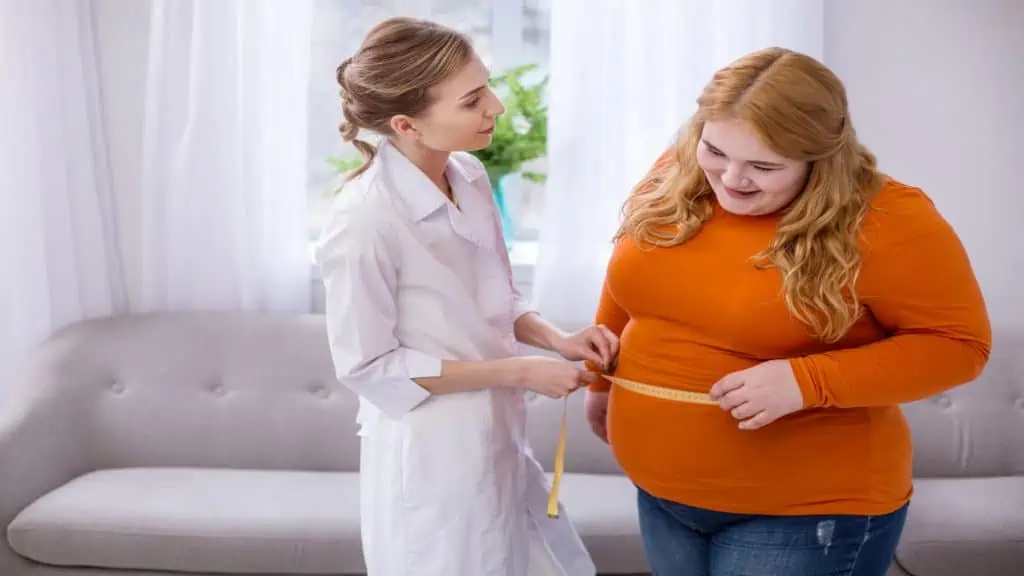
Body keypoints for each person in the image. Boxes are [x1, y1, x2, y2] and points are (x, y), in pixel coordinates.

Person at [583, 47, 992, 576]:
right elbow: (629, 281)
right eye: (715, 150)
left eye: (764, 166)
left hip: (804, 513)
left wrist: (807, 380)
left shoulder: (890, 219)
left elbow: (959, 346)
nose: (730, 179)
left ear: (821, 157)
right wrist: (603, 382)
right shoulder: (678, 173)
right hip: (663, 498)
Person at [314, 17, 616, 576]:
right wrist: (520, 373)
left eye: (487, 87)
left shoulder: (470, 176)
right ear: (408, 124)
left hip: (500, 439)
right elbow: (370, 365)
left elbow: (497, 298)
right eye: (473, 100)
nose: (496, 107)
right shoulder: (364, 220)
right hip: (433, 458)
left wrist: (558, 339)